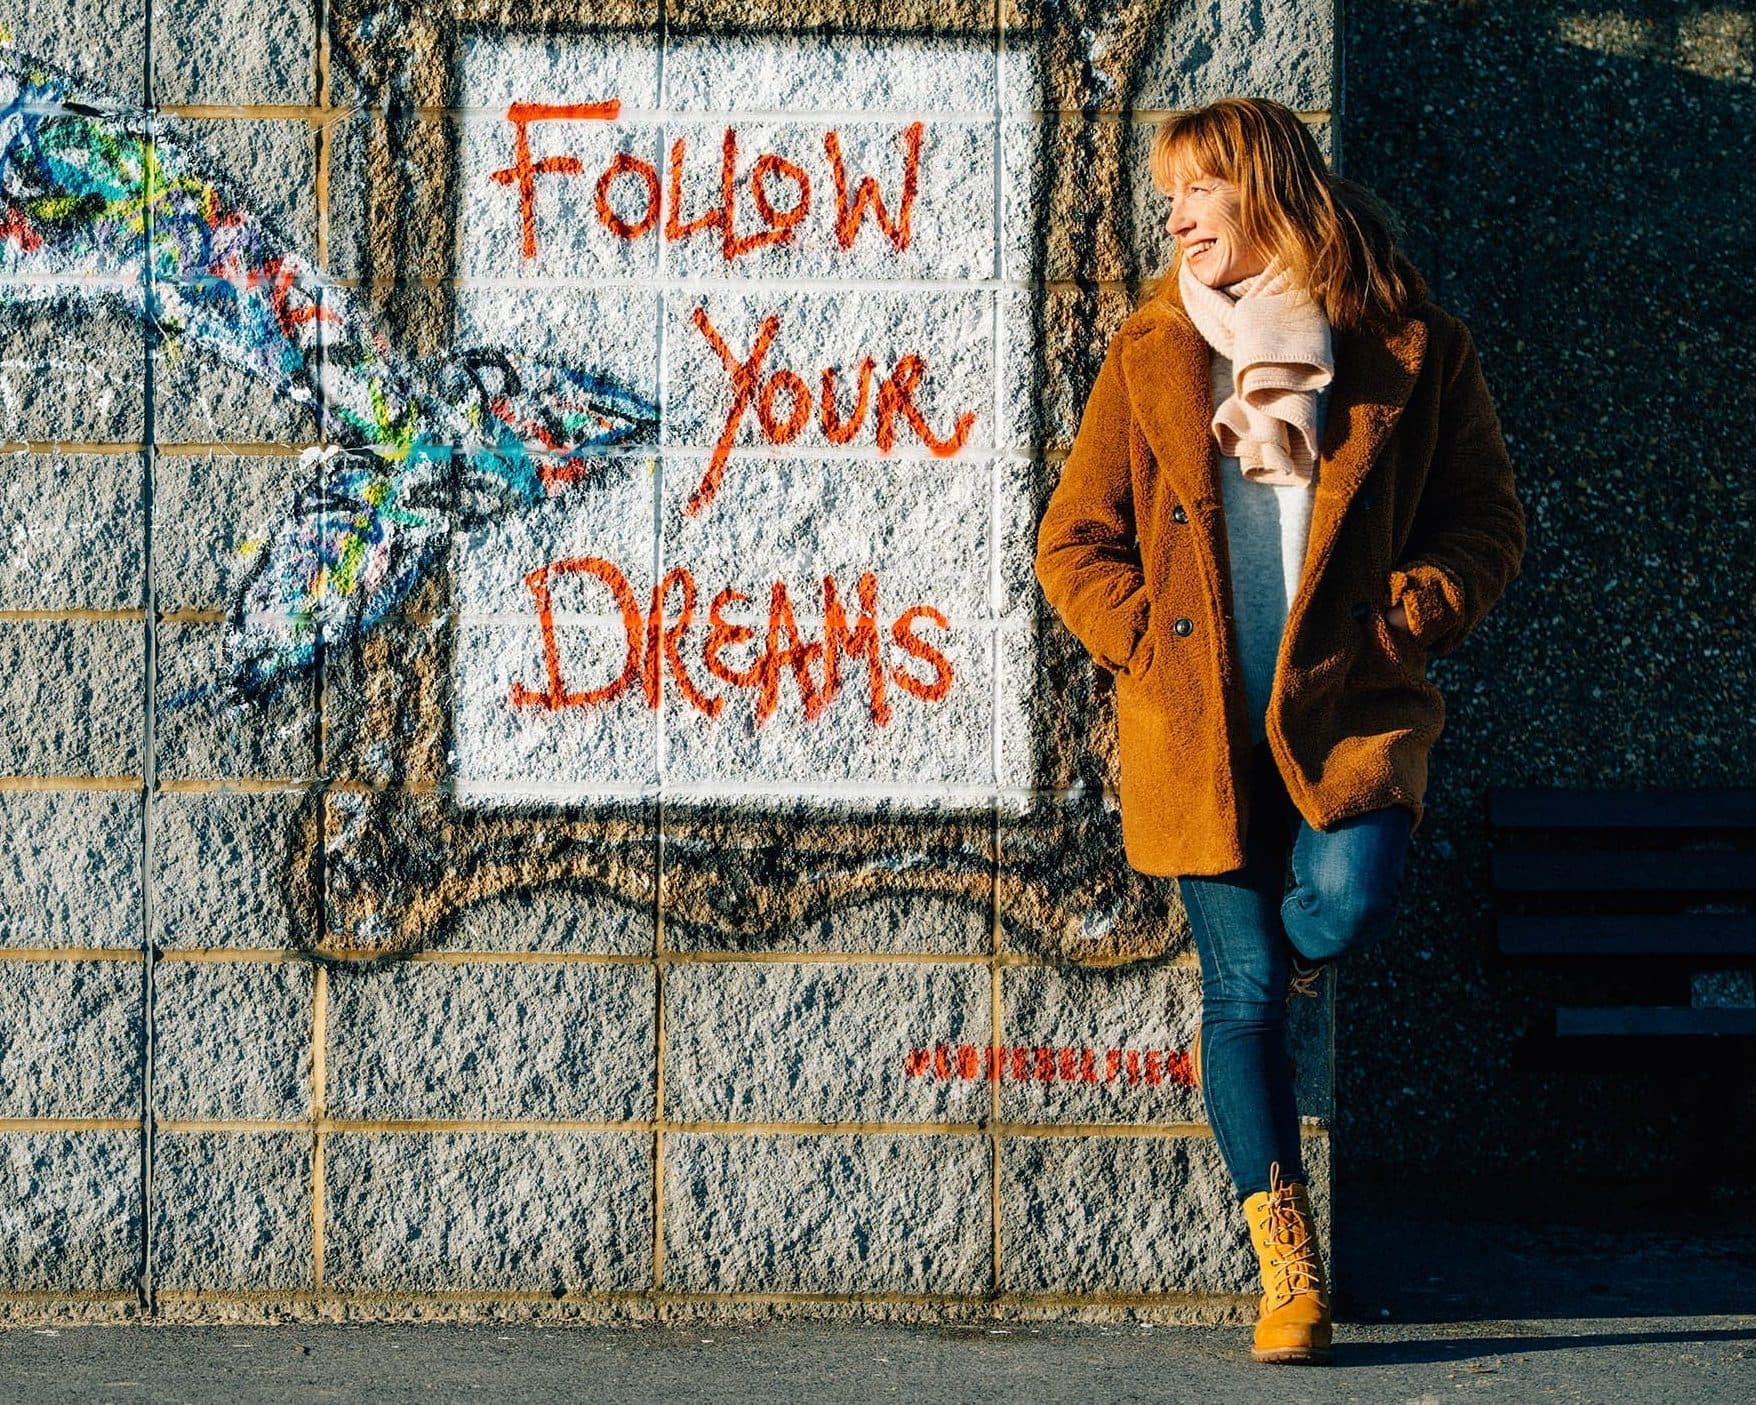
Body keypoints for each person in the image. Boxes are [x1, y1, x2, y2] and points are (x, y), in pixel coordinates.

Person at [1034, 97, 1526, 1365]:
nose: (1178, 218)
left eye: (1199, 189)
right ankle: (1285, 1265)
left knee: (1348, 902)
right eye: (1168, 199)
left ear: (1264, 186)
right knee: (1240, 994)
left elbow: (1485, 524)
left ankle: (1302, 955)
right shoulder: (1152, 350)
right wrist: (1146, 642)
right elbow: (1072, 539)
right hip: (1196, 729)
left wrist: (1412, 614)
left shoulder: (1414, 352)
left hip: (1344, 716)